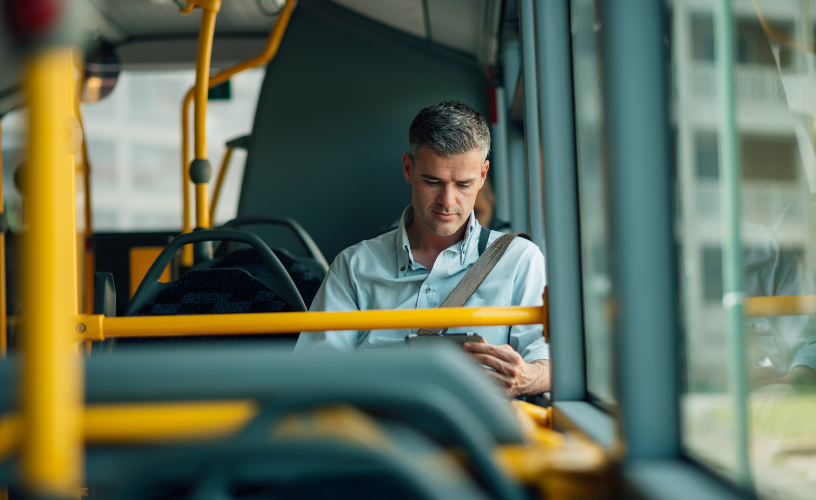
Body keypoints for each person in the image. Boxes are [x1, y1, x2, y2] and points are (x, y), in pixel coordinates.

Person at [295, 101, 549, 397]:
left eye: (464, 184)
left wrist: (527, 377)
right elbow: (312, 375)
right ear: (408, 168)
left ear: (482, 176)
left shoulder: (520, 261)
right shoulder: (354, 266)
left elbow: (550, 361)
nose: (448, 201)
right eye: (433, 182)